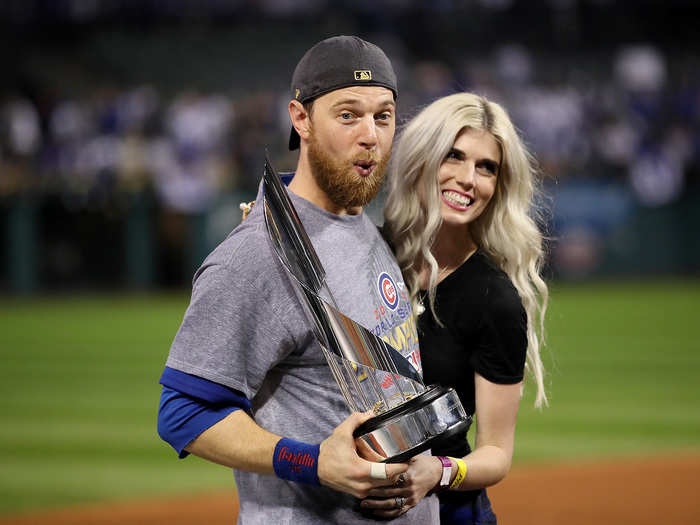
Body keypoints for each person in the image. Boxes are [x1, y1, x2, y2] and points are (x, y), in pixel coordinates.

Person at [156, 36, 440, 524]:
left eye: (383, 115)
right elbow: (182, 411)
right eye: (347, 115)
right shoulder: (257, 254)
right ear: (301, 119)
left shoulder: (364, 227)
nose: (370, 134)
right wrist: (310, 463)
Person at [360, 92, 549, 523]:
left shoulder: (493, 298)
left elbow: (496, 454)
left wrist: (440, 471)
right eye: (454, 156)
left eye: (487, 168)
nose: (469, 178)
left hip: (448, 511)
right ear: (423, 159)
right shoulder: (365, 254)